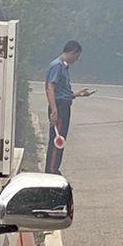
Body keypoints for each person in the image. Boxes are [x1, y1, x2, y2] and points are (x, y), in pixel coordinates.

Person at [44, 40, 92, 172]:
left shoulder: (63, 67)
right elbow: (50, 88)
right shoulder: (57, 66)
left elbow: (62, 92)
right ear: (72, 52)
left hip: (63, 105)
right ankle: (51, 170)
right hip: (59, 107)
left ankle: (54, 168)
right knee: (57, 140)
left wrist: (78, 94)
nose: (77, 59)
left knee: (61, 139)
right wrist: (54, 110)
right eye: (77, 56)